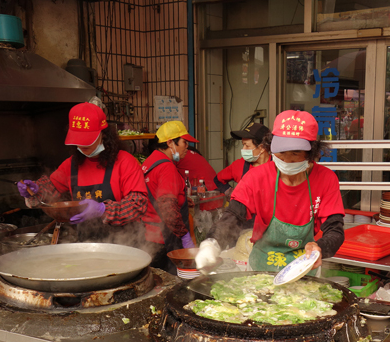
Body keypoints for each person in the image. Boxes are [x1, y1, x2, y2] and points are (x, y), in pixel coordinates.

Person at [196, 110, 345, 273]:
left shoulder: (326, 179)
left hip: (303, 270)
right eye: (281, 152)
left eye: (295, 153)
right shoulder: (256, 177)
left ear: (312, 152)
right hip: (261, 269)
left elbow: (335, 229)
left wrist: (320, 248)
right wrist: (212, 243)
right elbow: (233, 215)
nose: (287, 160)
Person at [17, 102, 148, 244]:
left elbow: (138, 204)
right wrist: (35, 189)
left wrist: (103, 210)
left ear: (103, 134)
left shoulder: (125, 162)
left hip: (124, 245)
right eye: (79, 140)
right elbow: (50, 190)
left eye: (88, 140)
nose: (83, 145)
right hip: (86, 246)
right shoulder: (72, 164)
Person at [141, 121, 196, 273]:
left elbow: (155, 193)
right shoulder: (166, 167)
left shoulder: (150, 161)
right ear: (170, 142)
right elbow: (167, 207)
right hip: (165, 240)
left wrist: (182, 199)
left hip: (148, 237)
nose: (187, 146)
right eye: (184, 142)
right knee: (171, 284)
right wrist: (185, 236)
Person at [213, 122, 271, 194]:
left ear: (262, 148)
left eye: (247, 146)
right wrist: (230, 192)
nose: (243, 149)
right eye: (243, 145)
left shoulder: (278, 166)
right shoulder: (239, 165)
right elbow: (217, 180)